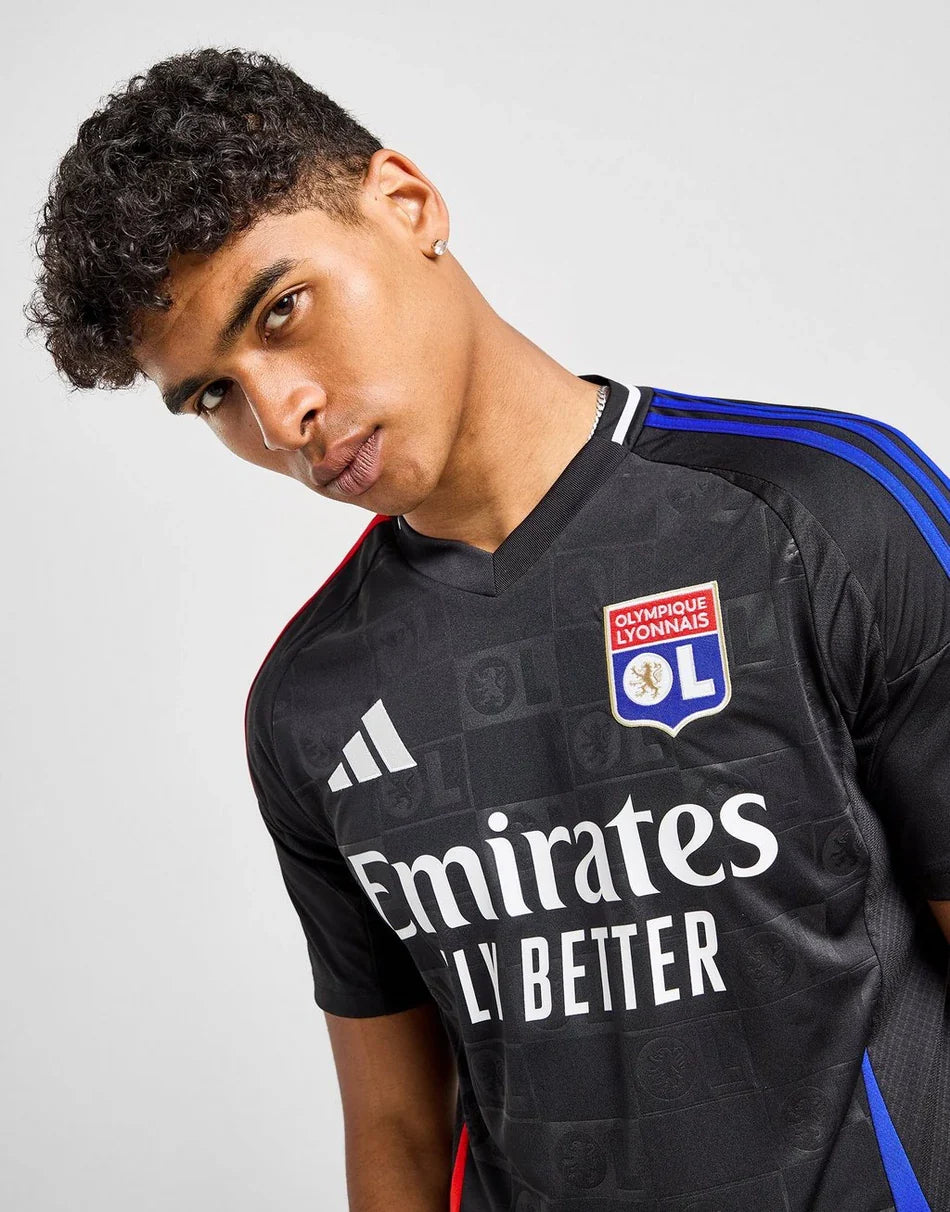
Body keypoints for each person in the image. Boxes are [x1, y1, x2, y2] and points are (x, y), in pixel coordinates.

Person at [26, 46, 950, 1212]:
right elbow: (400, 1134)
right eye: (214, 394)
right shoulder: (313, 703)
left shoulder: (811, 515)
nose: (279, 413)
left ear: (407, 204)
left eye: (282, 310)